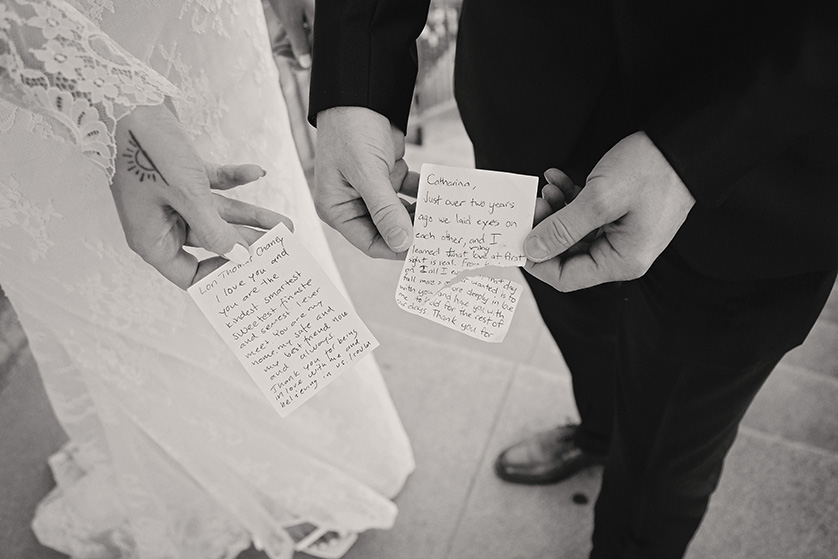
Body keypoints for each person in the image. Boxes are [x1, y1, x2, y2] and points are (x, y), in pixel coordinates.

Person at [307, 0, 838, 557]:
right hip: (534, 112)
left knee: (673, 441)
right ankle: (600, 432)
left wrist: (695, 152)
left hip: (766, 165)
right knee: (580, 327)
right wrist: (358, 80)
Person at [0, 1, 414, 558]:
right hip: (30, 91)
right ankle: (178, 491)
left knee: (257, 212)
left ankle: (306, 456)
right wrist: (106, 98)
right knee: (108, 293)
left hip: (193, 27)